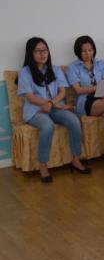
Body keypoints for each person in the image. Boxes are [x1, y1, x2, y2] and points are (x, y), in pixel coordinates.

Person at [18, 37, 89, 181]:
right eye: (38, 51)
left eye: (44, 50)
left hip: (54, 106)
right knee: (47, 125)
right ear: (30, 53)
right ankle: (42, 165)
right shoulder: (25, 72)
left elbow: (62, 92)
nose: (42, 54)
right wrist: (51, 104)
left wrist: (51, 103)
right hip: (35, 110)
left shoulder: (55, 69)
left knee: (74, 120)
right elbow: (30, 98)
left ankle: (76, 159)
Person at [67, 35, 104, 152]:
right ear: (78, 52)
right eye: (84, 51)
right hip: (85, 101)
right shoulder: (73, 67)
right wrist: (97, 88)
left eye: (90, 50)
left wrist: (103, 90)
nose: (88, 53)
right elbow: (78, 90)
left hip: (101, 98)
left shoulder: (101, 63)